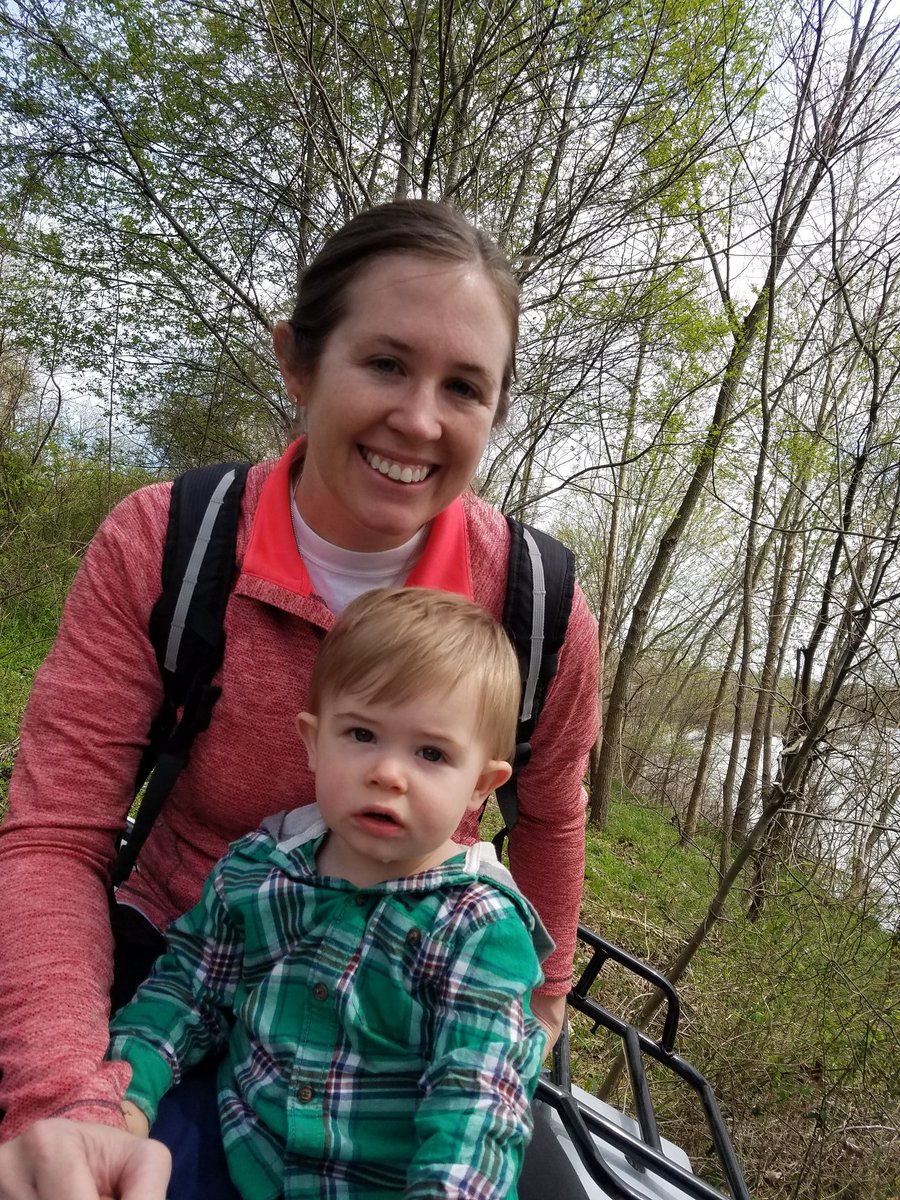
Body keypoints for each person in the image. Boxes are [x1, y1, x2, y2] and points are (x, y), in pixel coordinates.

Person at [0, 199, 599, 1200]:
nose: (419, 418)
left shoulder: (535, 604)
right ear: (297, 362)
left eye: (465, 386)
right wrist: (71, 1100)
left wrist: (529, 1011)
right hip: (185, 954)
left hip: (421, 995)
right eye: (385, 363)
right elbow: (55, 837)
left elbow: (552, 811)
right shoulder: (170, 544)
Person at [107, 587, 551, 1200]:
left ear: (481, 784)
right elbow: (189, 989)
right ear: (314, 743)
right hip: (240, 1144)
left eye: (430, 752)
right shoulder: (262, 870)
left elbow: (478, 1104)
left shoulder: (479, 929)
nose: (388, 773)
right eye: (362, 734)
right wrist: (128, 1091)